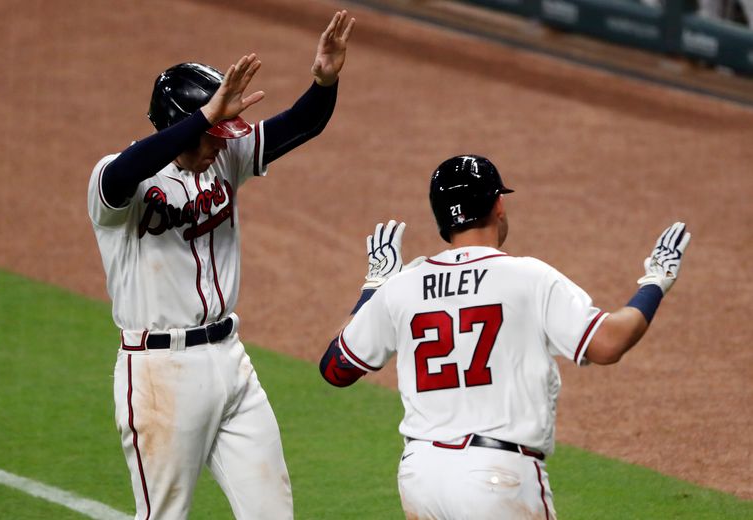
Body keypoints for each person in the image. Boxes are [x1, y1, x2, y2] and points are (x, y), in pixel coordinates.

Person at [87, 11, 355, 519]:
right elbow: (128, 169)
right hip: (158, 373)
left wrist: (325, 82)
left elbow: (301, 124)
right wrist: (201, 121)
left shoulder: (224, 157)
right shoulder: (118, 181)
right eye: (211, 132)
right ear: (179, 126)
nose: (219, 144)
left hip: (231, 364)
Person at [319, 155, 691, 519]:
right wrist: (655, 282)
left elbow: (336, 368)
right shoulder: (528, 277)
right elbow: (608, 343)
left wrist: (373, 288)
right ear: (499, 204)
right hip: (498, 477)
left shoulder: (401, 286)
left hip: (421, 477)